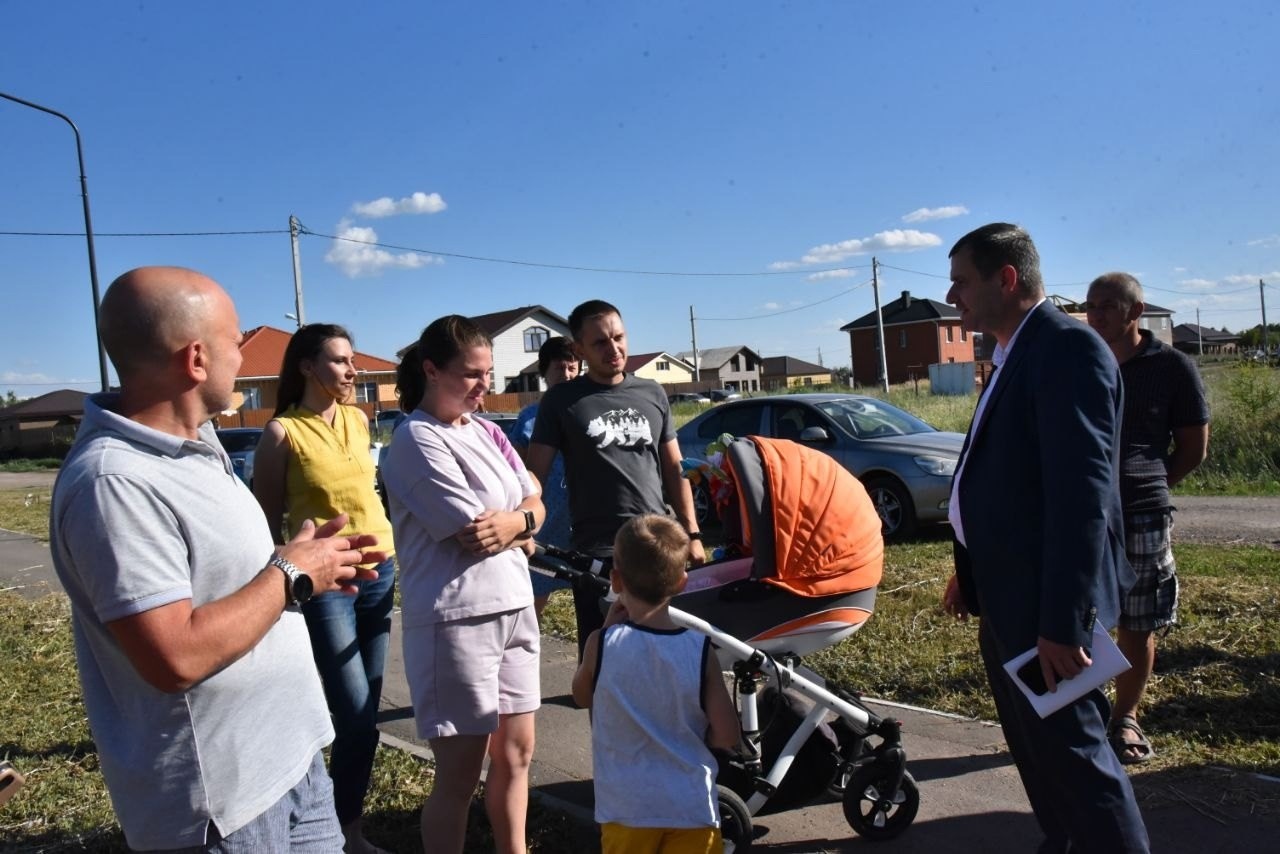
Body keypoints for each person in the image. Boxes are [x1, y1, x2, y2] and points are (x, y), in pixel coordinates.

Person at [50, 267, 386, 851]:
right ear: (197, 358)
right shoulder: (114, 482)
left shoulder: (198, 447)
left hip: (293, 761)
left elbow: (222, 574)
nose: (242, 355)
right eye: (235, 341)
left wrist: (305, 562)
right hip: (225, 807)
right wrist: (291, 575)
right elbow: (174, 656)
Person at [941, 225, 1150, 852]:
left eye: (961, 281)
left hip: (1046, 612)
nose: (952, 297)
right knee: (1042, 756)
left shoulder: (1065, 349)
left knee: (1077, 761)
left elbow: (1081, 497)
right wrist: (970, 570)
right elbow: (1006, 479)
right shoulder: (1016, 351)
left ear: (1006, 279)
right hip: (1009, 596)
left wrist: (1063, 624)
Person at [381, 315, 545, 854]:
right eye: (472, 374)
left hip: (515, 606)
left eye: (488, 373)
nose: (484, 385)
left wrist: (519, 521)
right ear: (431, 370)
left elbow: (534, 500)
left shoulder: (487, 430)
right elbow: (474, 533)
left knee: (517, 755)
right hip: (457, 620)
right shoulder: (415, 439)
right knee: (459, 774)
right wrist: (522, 522)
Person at [252, 324, 397, 853]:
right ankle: (327, 829)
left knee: (367, 713)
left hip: (381, 573)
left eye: (352, 360)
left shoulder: (358, 419)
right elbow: (265, 529)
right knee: (353, 713)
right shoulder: (281, 433)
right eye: (340, 361)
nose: (353, 371)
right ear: (307, 367)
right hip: (328, 586)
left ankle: (348, 829)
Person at [526, 300, 704, 657]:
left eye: (618, 337)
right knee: (604, 657)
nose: (614, 349)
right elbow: (533, 476)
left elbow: (674, 468)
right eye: (600, 343)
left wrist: (693, 534)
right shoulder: (561, 400)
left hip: (656, 543)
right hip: (597, 553)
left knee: (665, 653)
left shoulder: (652, 393)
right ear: (580, 350)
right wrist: (523, 525)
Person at [1085, 272, 1210, 764]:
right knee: (1079, 618)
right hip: (1083, 513)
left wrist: (1148, 484)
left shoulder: (1172, 366)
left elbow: (1194, 448)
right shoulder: (1082, 361)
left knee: (1137, 621)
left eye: (1107, 306)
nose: (1096, 315)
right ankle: (1080, 713)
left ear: (1135, 311)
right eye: (1091, 305)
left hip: (1141, 513)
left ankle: (1125, 718)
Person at [571, 514, 739, 853]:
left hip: (626, 809)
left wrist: (605, 629)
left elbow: (581, 696)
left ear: (616, 580)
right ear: (681, 582)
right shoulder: (699, 650)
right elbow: (727, 734)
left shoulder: (601, 644)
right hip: (691, 806)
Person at [510, 336, 579, 618]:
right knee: (534, 592)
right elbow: (514, 470)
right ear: (544, 372)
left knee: (589, 593)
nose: (567, 375)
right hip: (545, 517)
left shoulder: (585, 411)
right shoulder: (530, 418)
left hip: (580, 519)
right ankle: (527, 639)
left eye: (572, 368)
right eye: (559, 368)